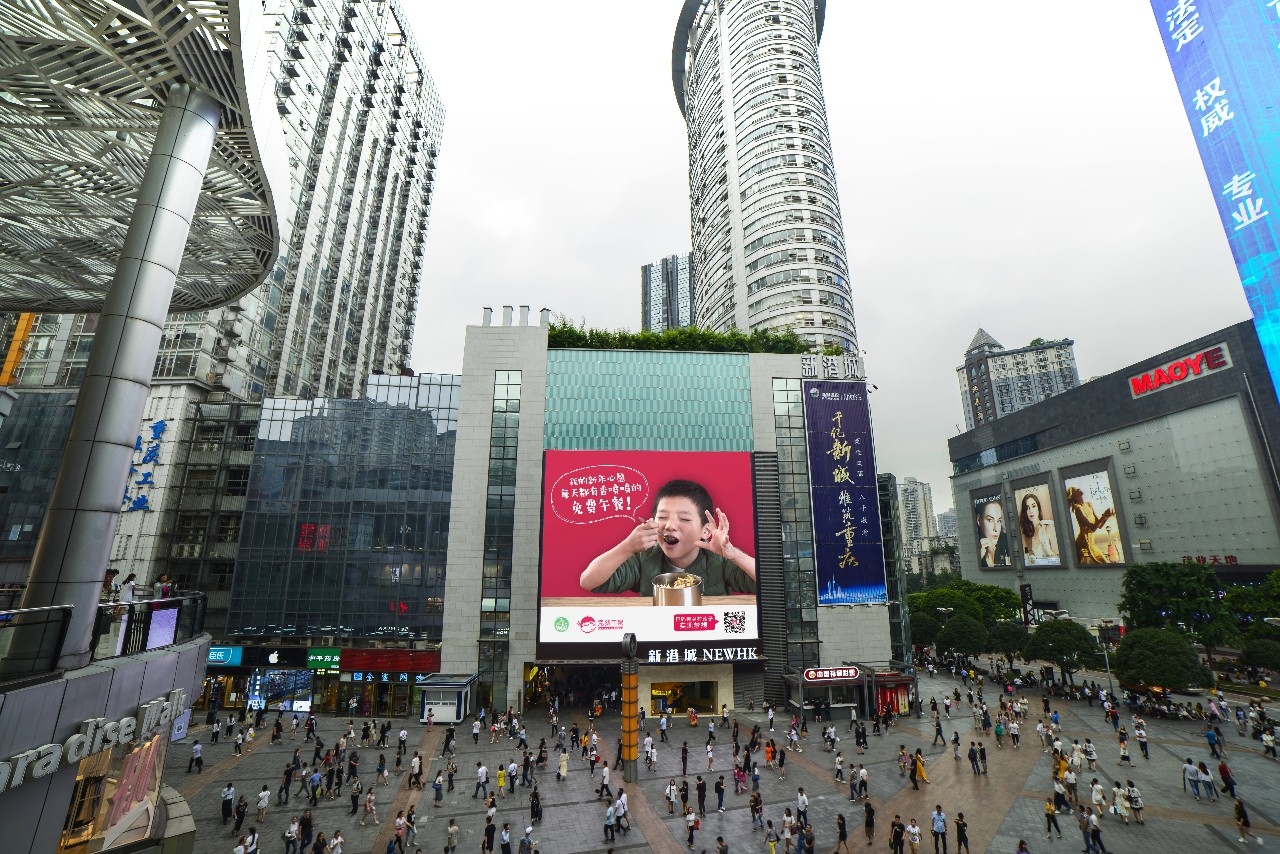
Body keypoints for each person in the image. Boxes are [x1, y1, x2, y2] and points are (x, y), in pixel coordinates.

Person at [579, 479, 756, 595]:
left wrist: (734, 554)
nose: (669, 525)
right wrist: (627, 547)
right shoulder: (644, 558)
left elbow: (771, 584)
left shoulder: (720, 560)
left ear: (706, 531)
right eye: (662, 517)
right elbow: (588, 581)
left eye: (684, 518)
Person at [1066, 486, 1115, 564]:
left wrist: (1107, 516)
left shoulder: (1089, 504)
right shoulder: (1077, 509)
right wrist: (1104, 515)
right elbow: (1093, 528)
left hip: (1092, 543)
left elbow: (1099, 526)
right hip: (1084, 544)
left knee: (1104, 563)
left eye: (1077, 488)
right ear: (1074, 497)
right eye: (1075, 490)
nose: (1078, 488)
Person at [1019, 492, 1058, 563]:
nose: (1031, 511)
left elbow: (1059, 559)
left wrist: (1046, 548)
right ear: (1025, 512)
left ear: (1038, 508)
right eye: (1027, 508)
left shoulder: (1048, 527)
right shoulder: (1026, 534)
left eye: (1033, 506)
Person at [974, 499, 1009, 567]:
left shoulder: (1007, 541)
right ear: (979, 520)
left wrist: (991, 558)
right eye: (990, 520)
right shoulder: (974, 546)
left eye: (999, 521)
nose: (996, 529)